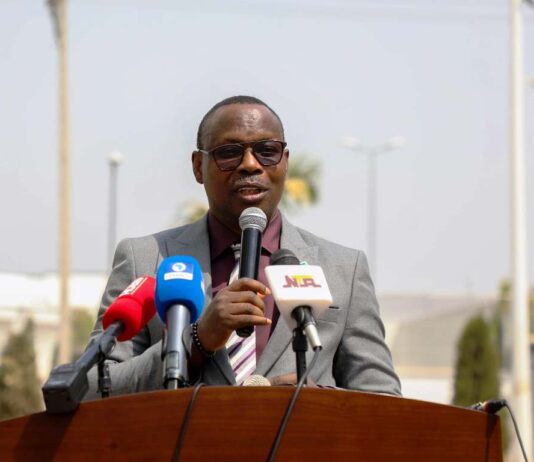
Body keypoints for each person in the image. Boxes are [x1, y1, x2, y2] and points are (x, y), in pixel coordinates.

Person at [85, 95, 401, 398]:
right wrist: (195, 340)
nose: (250, 164)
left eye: (267, 150)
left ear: (285, 162)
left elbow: (384, 401)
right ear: (198, 166)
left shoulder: (343, 269)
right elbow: (91, 388)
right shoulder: (146, 259)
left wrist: (320, 403)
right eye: (228, 152)